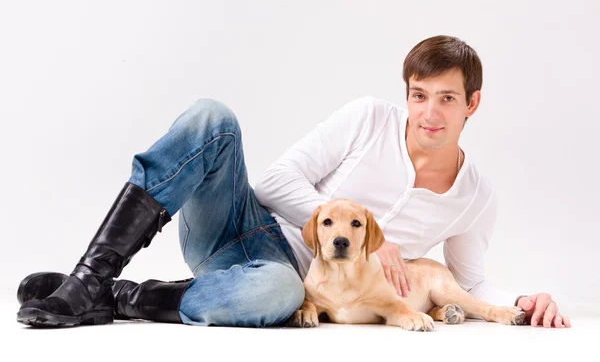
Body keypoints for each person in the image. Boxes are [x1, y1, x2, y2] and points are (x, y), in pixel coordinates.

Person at [17, 35, 569, 329]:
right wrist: (347, 229)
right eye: (419, 94)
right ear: (406, 92)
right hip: (243, 226)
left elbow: (470, 283)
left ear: (472, 103)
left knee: (280, 293)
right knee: (212, 116)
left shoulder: (475, 197)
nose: (428, 113)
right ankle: (92, 277)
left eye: (447, 98)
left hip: (281, 283)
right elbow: (276, 180)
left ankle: (120, 299)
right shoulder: (368, 118)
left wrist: (523, 301)